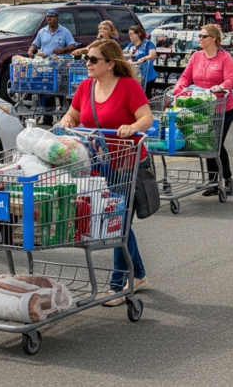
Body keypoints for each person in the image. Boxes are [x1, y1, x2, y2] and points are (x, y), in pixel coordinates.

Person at [59, 40, 153, 302]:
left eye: (93, 59)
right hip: (97, 164)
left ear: (110, 63)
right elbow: (73, 114)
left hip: (125, 162)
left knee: (116, 221)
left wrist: (132, 127)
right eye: (86, 59)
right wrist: (67, 121)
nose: (87, 63)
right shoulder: (86, 86)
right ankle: (139, 274)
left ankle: (117, 284)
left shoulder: (127, 87)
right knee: (115, 220)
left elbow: (147, 117)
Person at [174, 24, 233, 195]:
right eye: (199, 36)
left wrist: (221, 87)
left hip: (222, 108)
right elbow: (186, 76)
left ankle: (227, 178)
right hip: (201, 108)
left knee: (215, 143)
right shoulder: (196, 56)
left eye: (203, 36)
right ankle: (212, 181)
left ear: (214, 39)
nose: (200, 39)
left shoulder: (225, 58)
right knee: (205, 141)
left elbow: (230, 79)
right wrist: (179, 87)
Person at [125, 25, 158, 97]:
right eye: (129, 35)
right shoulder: (131, 45)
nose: (130, 36)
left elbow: (153, 55)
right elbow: (125, 54)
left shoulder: (147, 43)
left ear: (139, 34)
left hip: (147, 74)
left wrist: (143, 59)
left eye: (131, 34)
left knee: (145, 95)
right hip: (136, 75)